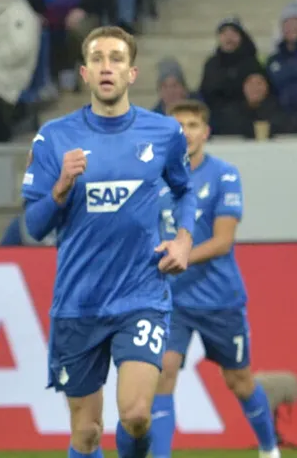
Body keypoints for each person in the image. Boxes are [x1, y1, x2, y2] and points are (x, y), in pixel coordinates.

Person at [21, 25, 196, 458]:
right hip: (78, 303)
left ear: (132, 73)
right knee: (87, 433)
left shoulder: (164, 134)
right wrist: (60, 186)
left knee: (136, 414)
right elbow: (34, 225)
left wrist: (184, 241)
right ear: (84, 73)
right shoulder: (53, 138)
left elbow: (185, 190)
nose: (106, 67)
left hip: (141, 295)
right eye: (97, 58)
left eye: (116, 58)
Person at [149, 100, 280, 458]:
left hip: (219, 297)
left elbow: (223, 241)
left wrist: (179, 256)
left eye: (193, 125)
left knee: (239, 382)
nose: (186, 132)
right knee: (164, 374)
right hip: (172, 299)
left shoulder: (224, 174)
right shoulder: (154, 178)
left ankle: (270, 449)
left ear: (205, 133)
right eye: (179, 126)